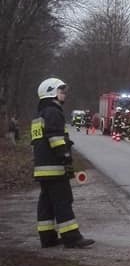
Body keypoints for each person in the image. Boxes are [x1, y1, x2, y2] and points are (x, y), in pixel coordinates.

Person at [31, 77, 94, 249]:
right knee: (63, 200)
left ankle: (48, 238)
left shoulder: (41, 113)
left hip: (42, 167)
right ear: (51, 92)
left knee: (46, 202)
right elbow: (56, 137)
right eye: (61, 91)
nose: (64, 94)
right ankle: (72, 238)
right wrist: (65, 156)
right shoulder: (53, 111)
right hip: (54, 166)